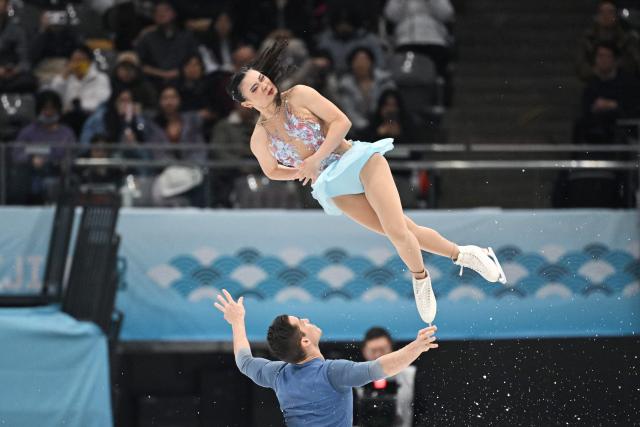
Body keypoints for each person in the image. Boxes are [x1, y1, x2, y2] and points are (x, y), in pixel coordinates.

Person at [226, 40, 507, 323]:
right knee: (406, 231)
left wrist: (314, 160)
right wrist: (301, 170)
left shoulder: (299, 94)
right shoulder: (259, 138)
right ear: (248, 103)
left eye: (262, 78)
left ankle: (421, 279)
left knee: (398, 232)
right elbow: (272, 170)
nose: (264, 85)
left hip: (359, 161)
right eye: (254, 88)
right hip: (333, 186)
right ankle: (465, 254)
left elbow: (342, 122)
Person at [213, 289, 438, 427]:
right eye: (302, 322)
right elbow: (381, 368)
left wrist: (237, 322)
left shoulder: (277, 375)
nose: (307, 319)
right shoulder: (331, 373)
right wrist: (416, 347)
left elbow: (244, 362)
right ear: (305, 341)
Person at [356, 327, 415, 427]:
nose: (378, 355)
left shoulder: (410, 375)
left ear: (391, 348)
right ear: (364, 351)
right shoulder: (355, 376)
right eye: (373, 351)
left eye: (383, 350)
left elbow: (422, 409)